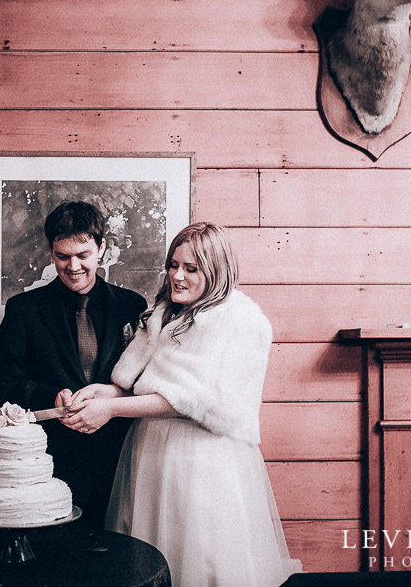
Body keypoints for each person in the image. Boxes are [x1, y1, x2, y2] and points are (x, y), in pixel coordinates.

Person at [61, 222, 303, 586]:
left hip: (200, 457)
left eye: (191, 269)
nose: (177, 276)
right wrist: (104, 392)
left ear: (217, 270)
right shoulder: (167, 312)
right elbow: (147, 384)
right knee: (152, 550)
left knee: (200, 555)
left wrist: (110, 410)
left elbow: (189, 400)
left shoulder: (239, 320)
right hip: (151, 450)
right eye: (173, 265)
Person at [0, 201, 147, 527]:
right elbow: (4, 383)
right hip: (52, 459)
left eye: (83, 255)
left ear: (101, 248)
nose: (73, 266)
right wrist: (53, 395)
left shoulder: (132, 306)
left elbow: (145, 380)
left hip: (120, 452)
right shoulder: (23, 309)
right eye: (63, 256)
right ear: (51, 251)